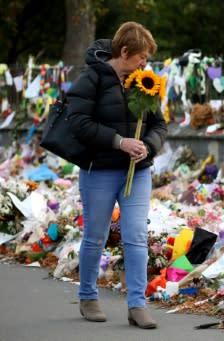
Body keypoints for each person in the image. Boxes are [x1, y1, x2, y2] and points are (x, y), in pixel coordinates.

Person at [66, 22, 167, 329]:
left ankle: (137, 305)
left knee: (136, 236)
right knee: (95, 237)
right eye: (141, 58)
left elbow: (159, 126)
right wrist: (119, 142)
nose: (145, 65)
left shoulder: (144, 83)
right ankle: (87, 297)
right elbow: (78, 122)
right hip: (99, 170)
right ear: (124, 51)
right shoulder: (92, 78)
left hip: (137, 173)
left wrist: (148, 147)